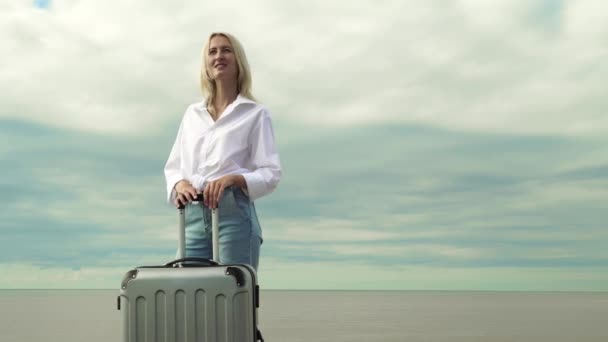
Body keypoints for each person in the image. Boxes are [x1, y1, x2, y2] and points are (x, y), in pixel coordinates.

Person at [164, 32, 281, 271]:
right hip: (192, 215)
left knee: (232, 296)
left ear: (238, 60)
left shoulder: (255, 114)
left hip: (233, 215)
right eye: (212, 51)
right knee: (186, 294)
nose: (219, 56)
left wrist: (233, 179)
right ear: (206, 64)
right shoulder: (192, 115)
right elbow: (174, 167)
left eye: (226, 50)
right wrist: (179, 185)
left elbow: (271, 173)